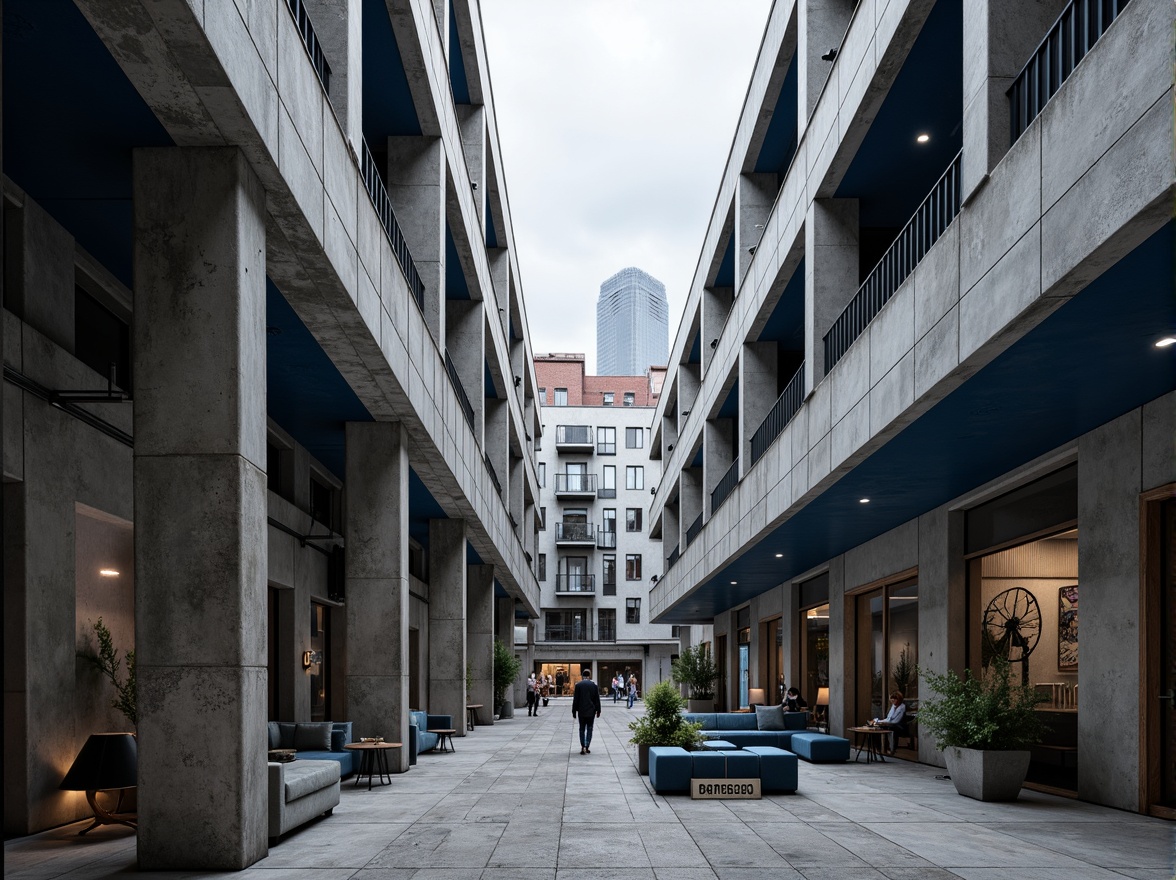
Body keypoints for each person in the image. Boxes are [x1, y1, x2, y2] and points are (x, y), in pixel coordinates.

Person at [571, 668, 602, 754]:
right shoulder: (594, 686)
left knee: (581, 729)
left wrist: (574, 711)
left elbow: (575, 700)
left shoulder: (578, 685)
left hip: (581, 711)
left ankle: (582, 746)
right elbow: (597, 699)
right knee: (589, 728)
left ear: (582, 675)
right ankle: (587, 745)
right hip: (591, 711)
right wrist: (598, 710)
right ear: (589, 675)